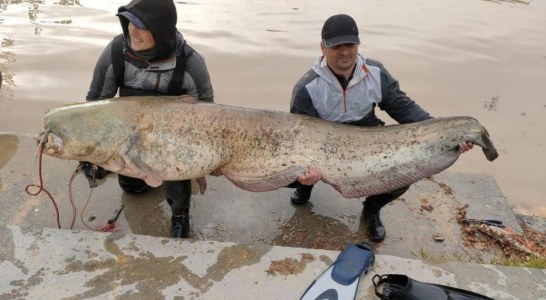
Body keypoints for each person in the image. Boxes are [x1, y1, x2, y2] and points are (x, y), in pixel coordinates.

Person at [289, 14, 473, 242]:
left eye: (350, 44)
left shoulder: (376, 73)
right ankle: (306, 188)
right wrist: (306, 172)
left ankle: (372, 209)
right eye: (336, 46)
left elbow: (405, 110)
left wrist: (442, 133)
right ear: (322, 47)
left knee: (406, 172)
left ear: (358, 44)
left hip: (368, 135)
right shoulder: (307, 88)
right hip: (322, 143)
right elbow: (298, 140)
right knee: (292, 174)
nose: (344, 51)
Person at [85, 0, 214, 238]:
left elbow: (208, 119)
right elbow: (96, 104)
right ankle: (143, 177)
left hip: (173, 139)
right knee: (132, 189)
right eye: (129, 22)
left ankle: (180, 214)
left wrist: (199, 165)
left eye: (140, 25)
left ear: (160, 31)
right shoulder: (115, 51)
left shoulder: (191, 64)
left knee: (175, 179)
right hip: (133, 133)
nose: (131, 30)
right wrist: (90, 152)